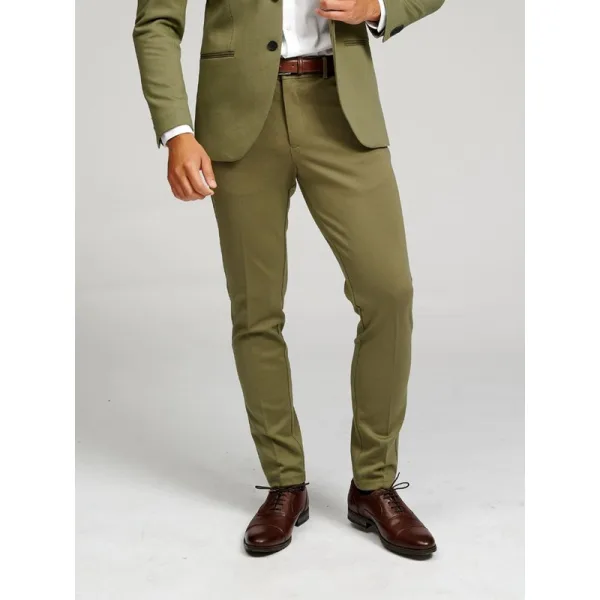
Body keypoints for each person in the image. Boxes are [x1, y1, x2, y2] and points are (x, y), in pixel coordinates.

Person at [133, 0, 445, 557]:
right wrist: (176, 131)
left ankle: (374, 485)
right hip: (238, 117)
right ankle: (284, 483)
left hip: (340, 106)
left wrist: (376, 6)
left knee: (389, 294)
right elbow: (156, 21)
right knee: (256, 309)